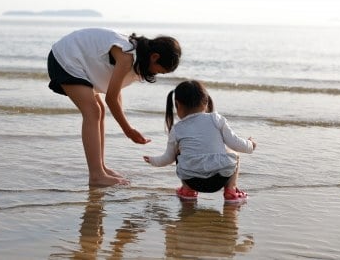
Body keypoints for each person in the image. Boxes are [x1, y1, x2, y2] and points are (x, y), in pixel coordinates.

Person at [47, 27, 182, 187]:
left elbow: (115, 93)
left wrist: (127, 127)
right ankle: (96, 175)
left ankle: (100, 167)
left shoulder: (137, 55)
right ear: (154, 57)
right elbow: (111, 98)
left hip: (79, 60)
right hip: (66, 57)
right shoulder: (127, 55)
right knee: (92, 112)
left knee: (99, 110)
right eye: (160, 71)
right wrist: (127, 130)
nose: (157, 74)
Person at [143, 80, 256, 203]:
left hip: (193, 181)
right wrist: (250, 145)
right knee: (234, 155)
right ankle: (231, 190)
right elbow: (235, 143)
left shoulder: (177, 128)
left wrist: (153, 160)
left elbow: (168, 158)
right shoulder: (216, 119)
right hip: (220, 179)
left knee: (179, 155)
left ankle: (187, 190)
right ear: (206, 102)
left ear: (177, 104)